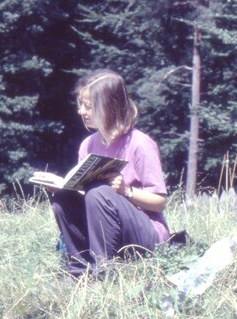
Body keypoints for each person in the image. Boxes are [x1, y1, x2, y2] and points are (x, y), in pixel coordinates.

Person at [50, 69, 170, 277]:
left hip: (146, 233)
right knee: (62, 199)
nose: (81, 112)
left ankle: (103, 272)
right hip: (104, 226)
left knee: (99, 192)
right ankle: (79, 270)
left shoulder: (140, 144)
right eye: (80, 105)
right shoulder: (88, 145)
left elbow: (160, 201)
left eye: (88, 107)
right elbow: (88, 200)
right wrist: (65, 188)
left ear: (109, 107)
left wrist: (126, 191)